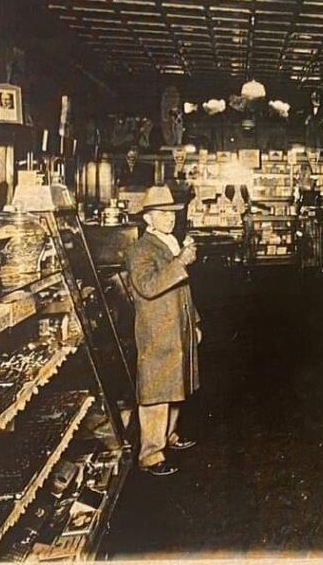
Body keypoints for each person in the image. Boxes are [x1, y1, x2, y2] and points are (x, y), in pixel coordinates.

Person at [125, 185, 201, 476]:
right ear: (148, 218)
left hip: (176, 325)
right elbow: (147, 286)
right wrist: (180, 261)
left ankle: (168, 436)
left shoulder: (169, 241)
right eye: (162, 214)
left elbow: (183, 289)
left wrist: (194, 321)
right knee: (156, 390)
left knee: (176, 384)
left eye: (172, 213)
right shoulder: (141, 249)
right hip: (157, 329)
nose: (170, 219)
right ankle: (150, 453)